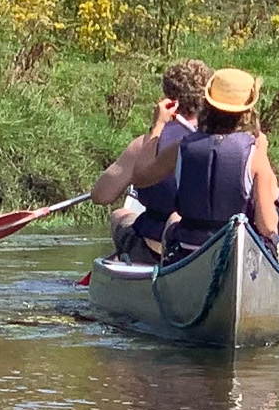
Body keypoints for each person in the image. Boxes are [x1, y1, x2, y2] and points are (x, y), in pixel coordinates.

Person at [119, 67, 279, 259]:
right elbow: (267, 225)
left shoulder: (181, 148)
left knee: (173, 218)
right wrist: (264, 155)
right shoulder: (255, 153)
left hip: (188, 251)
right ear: (247, 110)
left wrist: (157, 127)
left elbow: (140, 178)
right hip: (236, 248)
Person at [90, 59, 211, 260]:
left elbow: (101, 196)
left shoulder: (146, 144)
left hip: (155, 249)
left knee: (120, 215)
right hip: (208, 246)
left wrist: (157, 125)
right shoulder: (224, 141)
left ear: (169, 100)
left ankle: (128, 259)